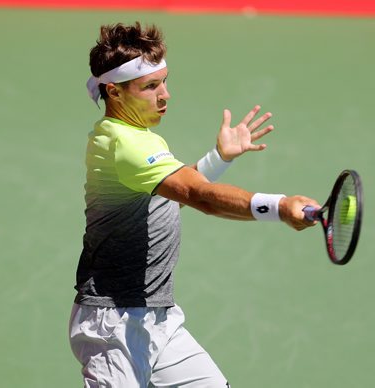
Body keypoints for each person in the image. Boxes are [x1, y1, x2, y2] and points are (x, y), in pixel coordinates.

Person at [69, 22, 320, 388]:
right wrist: (279, 206)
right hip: (114, 325)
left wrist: (218, 159)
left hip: (159, 319)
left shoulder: (137, 138)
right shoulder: (126, 145)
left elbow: (165, 203)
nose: (165, 95)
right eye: (150, 87)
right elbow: (198, 196)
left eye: (164, 81)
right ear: (115, 92)